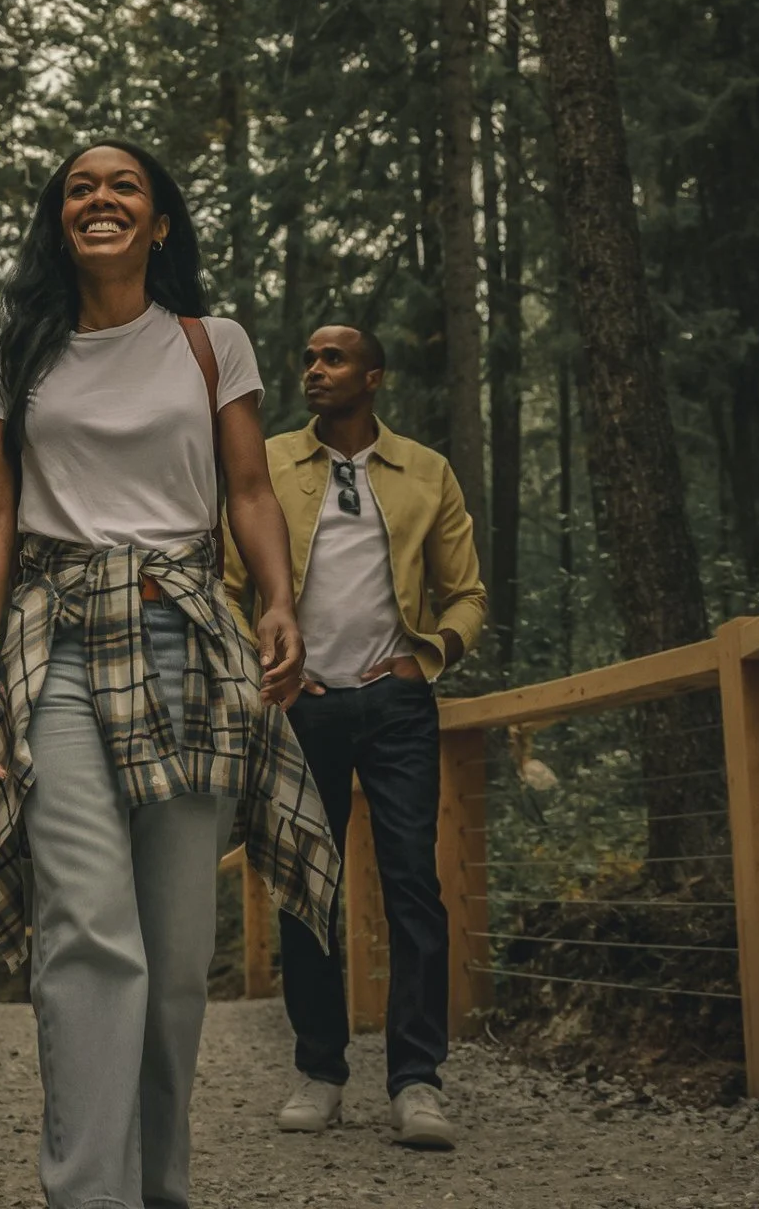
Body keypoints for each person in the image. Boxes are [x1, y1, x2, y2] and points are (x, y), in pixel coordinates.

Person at [0, 139, 339, 1209]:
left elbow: (251, 487)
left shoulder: (210, 344)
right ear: (58, 220)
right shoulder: (5, 349)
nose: (101, 198)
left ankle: (157, 1185)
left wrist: (273, 600)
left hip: (188, 642)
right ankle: (89, 1194)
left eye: (124, 185)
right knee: (86, 925)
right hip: (59, 636)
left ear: (158, 221)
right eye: (79, 187)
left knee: (172, 959)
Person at [226, 323, 486, 1150]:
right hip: (300, 705)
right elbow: (228, 585)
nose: (314, 370)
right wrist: (269, 667)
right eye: (307, 358)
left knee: (415, 886)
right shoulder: (266, 464)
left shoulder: (425, 473)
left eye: (333, 359)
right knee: (309, 891)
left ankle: (417, 1081)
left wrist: (427, 658)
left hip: (397, 706)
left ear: (374, 376)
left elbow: (467, 593)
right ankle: (321, 1070)